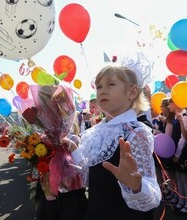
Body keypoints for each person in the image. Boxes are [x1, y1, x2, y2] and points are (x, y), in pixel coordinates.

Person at [62, 65, 161, 219]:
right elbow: (90, 177)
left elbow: (152, 197)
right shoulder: (93, 133)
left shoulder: (136, 132)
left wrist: (136, 185)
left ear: (132, 92)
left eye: (111, 84)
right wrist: (74, 149)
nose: (102, 90)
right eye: (99, 86)